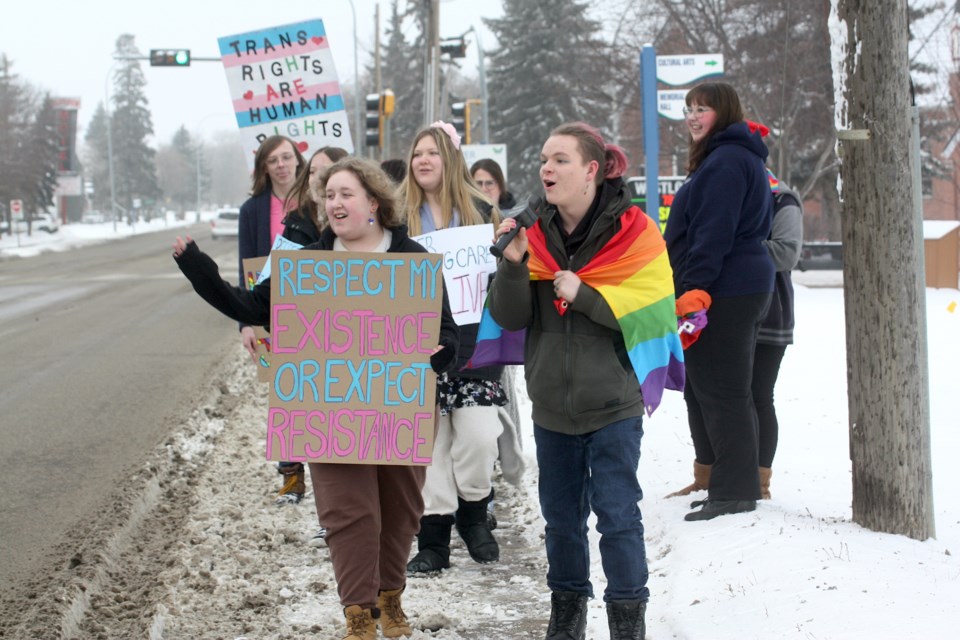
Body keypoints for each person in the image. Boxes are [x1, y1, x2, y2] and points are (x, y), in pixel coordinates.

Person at [173, 156, 460, 640]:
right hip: (329, 410)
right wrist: (199, 269)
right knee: (348, 513)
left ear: (373, 202)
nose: (335, 204)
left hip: (399, 408)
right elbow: (248, 305)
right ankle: (357, 615)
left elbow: (447, 333)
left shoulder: (411, 259)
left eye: (346, 194)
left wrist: (440, 355)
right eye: (329, 196)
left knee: (400, 510)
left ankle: (390, 595)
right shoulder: (305, 266)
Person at [487, 121, 683, 640]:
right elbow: (508, 318)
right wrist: (510, 266)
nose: (546, 169)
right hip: (552, 406)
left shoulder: (636, 231)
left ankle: (627, 620)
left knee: (618, 517)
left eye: (560, 160)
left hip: (613, 406)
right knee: (561, 522)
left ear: (591, 170)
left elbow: (652, 316)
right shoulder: (530, 232)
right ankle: (567, 618)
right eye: (544, 160)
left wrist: (588, 295)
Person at [662, 81, 775, 521]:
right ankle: (730, 485)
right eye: (688, 107)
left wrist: (695, 291)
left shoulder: (725, 161)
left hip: (726, 287)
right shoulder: (727, 156)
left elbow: (713, 232)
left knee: (723, 390)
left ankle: (734, 492)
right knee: (720, 389)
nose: (692, 116)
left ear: (723, 112)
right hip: (736, 285)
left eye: (702, 108)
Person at [399, 122, 506, 574]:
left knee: (480, 438)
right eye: (417, 153)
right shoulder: (397, 216)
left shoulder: (483, 212)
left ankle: (474, 510)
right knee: (429, 446)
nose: (422, 160)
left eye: (432, 152)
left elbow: (504, 275)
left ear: (450, 159)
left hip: (475, 342)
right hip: (419, 344)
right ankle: (433, 539)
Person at [237, 135, 307, 505]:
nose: (281, 165)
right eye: (272, 160)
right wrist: (245, 323)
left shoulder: (316, 199)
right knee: (284, 392)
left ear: (298, 160)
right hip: (271, 306)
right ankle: (292, 479)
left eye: (286, 157)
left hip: (317, 305)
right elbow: (245, 263)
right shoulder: (252, 210)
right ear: (264, 168)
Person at [755, 172, 803, 499]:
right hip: (723, 313)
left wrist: (731, 246)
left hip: (771, 313)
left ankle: (759, 483)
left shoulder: (782, 201)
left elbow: (787, 254)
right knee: (719, 398)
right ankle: (713, 474)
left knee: (758, 395)